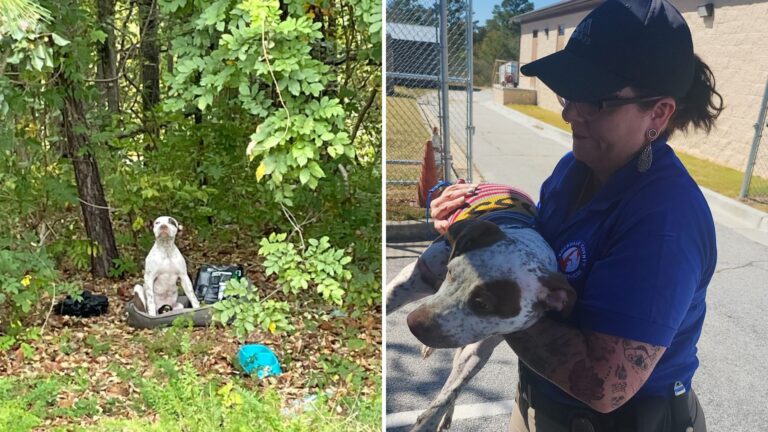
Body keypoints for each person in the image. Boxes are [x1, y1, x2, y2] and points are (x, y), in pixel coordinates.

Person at [429, 0, 723, 430]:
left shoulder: (664, 220)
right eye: (570, 93)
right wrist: (493, 212)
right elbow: (546, 252)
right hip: (539, 405)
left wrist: (486, 294)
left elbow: (603, 384)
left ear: (659, 113)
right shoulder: (579, 167)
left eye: (597, 102)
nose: (570, 112)